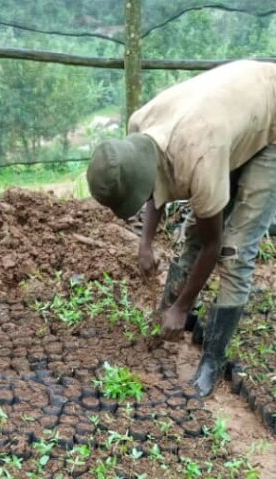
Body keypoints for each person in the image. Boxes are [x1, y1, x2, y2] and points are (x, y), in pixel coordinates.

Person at [86, 60, 276, 397]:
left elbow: (212, 245)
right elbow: (153, 181)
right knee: (193, 232)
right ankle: (176, 316)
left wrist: (181, 306)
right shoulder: (140, 125)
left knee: (234, 250)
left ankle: (212, 359)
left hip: (270, 118)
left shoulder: (199, 157)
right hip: (230, 119)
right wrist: (145, 243)